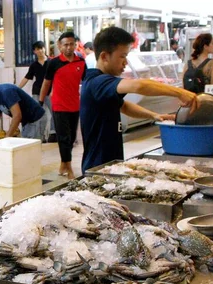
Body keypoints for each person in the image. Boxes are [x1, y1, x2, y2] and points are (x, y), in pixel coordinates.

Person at [80, 27, 198, 174]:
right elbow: (139, 85)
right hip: (97, 168)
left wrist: (154, 116)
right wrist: (179, 92)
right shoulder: (97, 82)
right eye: (122, 56)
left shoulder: (102, 84)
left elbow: (123, 106)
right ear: (104, 56)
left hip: (110, 164)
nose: (126, 63)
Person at [39, 31, 86, 179]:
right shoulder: (53, 63)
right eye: (65, 44)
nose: (69, 47)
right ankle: (69, 167)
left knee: (71, 138)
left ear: (76, 45)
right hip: (59, 105)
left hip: (75, 105)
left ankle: (63, 163)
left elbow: (85, 82)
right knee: (64, 137)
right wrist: (40, 101)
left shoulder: (81, 62)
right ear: (60, 46)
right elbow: (46, 83)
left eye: (72, 44)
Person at [0, 76, 46, 142]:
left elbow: (17, 116)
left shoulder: (6, 92)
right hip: (27, 122)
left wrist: (7, 138)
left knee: (31, 151)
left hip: (36, 119)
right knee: (25, 151)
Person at [18, 41, 53, 142]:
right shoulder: (34, 65)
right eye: (38, 49)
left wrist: (54, 90)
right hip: (37, 92)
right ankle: (39, 138)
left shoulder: (51, 62)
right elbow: (27, 78)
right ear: (34, 51)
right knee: (38, 115)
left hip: (49, 92)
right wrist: (17, 88)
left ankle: (52, 134)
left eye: (42, 48)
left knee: (53, 114)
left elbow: (56, 78)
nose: (40, 51)